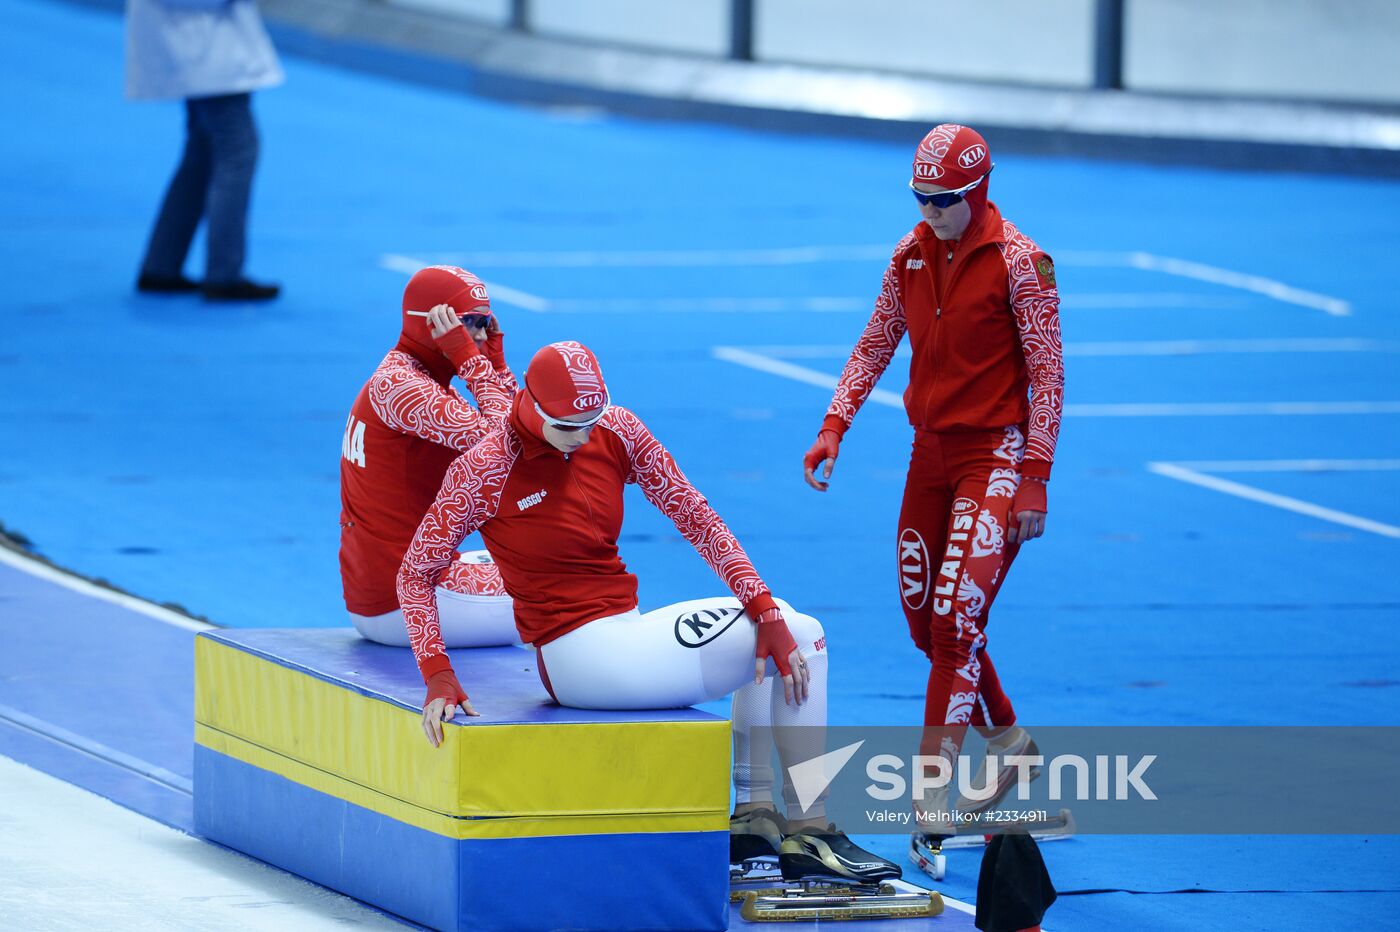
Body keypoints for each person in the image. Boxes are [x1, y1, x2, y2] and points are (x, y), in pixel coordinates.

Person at [397, 341, 901, 884]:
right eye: (571, 427)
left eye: (594, 419)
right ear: (533, 407)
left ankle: (755, 819)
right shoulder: (487, 468)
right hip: (578, 657)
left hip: (624, 632)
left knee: (774, 620)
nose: (586, 436)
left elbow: (692, 512)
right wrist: (439, 677)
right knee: (806, 636)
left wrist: (758, 600)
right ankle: (812, 830)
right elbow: (414, 572)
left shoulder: (614, 428)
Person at [801, 125, 1064, 840]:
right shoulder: (909, 253)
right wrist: (835, 424)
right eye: (919, 197)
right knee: (927, 624)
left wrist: (1034, 477)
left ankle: (931, 801)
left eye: (943, 199)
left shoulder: (1022, 263)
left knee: (954, 623)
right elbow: (877, 339)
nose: (929, 211)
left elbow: (1048, 375)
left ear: (977, 190)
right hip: (930, 456)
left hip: (997, 460)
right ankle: (1011, 747)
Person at [340, 266, 519, 649]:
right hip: (406, 602)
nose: (477, 335)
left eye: (484, 323)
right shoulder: (403, 389)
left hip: (385, 591)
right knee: (568, 583)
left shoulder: (408, 378)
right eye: (466, 321)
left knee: (530, 553)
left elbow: (519, 431)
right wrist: (479, 365)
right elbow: (510, 448)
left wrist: (495, 364)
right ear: (430, 322)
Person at [125, 0, 282, 300]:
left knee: (202, 153)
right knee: (237, 149)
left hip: (195, 44)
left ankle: (162, 264)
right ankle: (224, 274)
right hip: (204, 48)